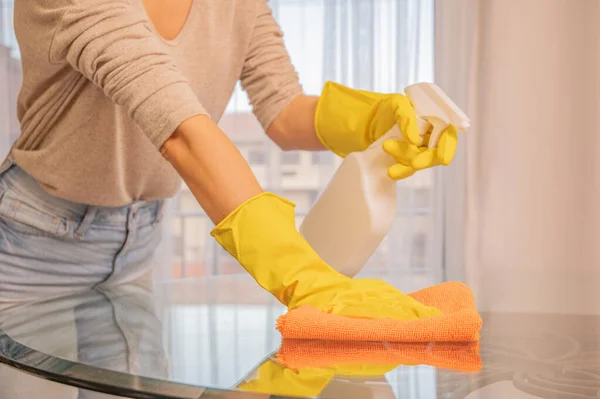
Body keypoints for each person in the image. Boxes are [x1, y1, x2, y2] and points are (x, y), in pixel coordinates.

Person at [1, 0, 458, 320]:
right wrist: (304, 279)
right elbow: (179, 128)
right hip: (32, 244)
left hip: (138, 241)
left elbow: (282, 108)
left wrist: (373, 119)